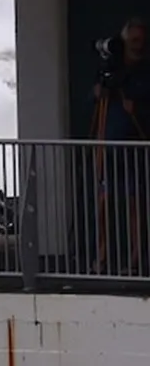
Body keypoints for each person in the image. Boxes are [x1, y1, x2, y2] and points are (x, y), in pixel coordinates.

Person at [93, 17, 150, 272]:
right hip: (110, 141)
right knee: (104, 201)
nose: (139, 45)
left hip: (134, 143)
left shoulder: (145, 69)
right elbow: (98, 92)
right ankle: (102, 255)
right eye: (134, 40)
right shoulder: (113, 67)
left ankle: (136, 257)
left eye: (142, 40)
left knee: (134, 203)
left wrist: (137, 106)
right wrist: (98, 91)